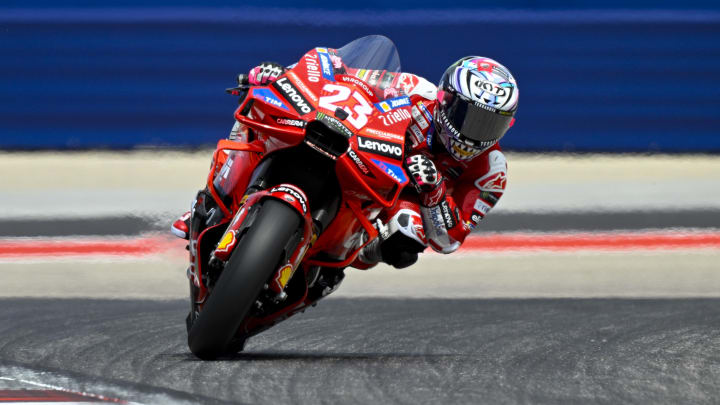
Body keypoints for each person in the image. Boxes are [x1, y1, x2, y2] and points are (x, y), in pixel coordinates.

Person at [172, 56, 519, 270]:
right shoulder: (414, 89)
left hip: (391, 200)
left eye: (489, 125)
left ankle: (341, 259)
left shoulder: (492, 172)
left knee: (407, 235)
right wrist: (284, 76)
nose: (474, 134)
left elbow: (448, 241)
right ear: (446, 100)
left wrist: (432, 192)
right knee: (261, 113)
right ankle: (211, 197)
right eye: (468, 117)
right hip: (361, 156)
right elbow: (346, 78)